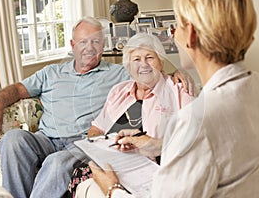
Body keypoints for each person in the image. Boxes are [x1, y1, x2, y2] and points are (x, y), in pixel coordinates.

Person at [77, 0, 259, 197]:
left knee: (89, 188)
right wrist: (155, 145)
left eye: (176, 27)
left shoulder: (196, 120)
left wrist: (112, 189)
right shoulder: (258, 85)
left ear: (190, 34)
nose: (173, 35)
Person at [0, 16, 194, 197]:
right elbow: (17, 90)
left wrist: (178, 74)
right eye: (83, 42)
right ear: (72, 46)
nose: (89, 48)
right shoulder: (51, 72)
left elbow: (148, 72)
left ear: (103, 46)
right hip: (46, 138)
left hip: (81, 143)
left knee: (57, 162)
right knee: (13, 139)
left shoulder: (117, 74)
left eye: (96, 42)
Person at [67, 33, 195, 197]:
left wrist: (155, 145)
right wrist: (97, 148)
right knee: (82, 172)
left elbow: (194, 138)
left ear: (161, 62)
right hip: (112, 162)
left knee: (91, 184)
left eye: (150, 57)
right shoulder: (119, 91)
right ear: (128, 65)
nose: (144, 65)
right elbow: (96, 128)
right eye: (136, 59)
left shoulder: (179, 90)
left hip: (149, 170)